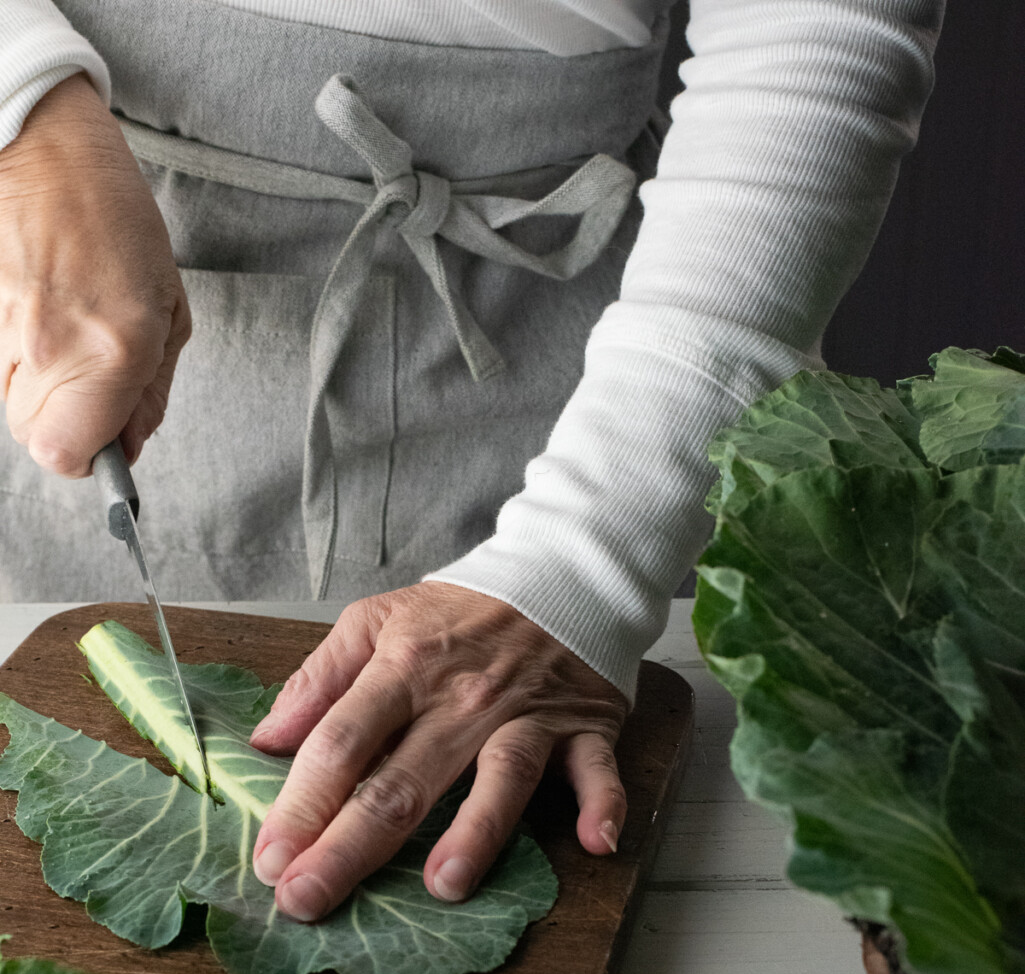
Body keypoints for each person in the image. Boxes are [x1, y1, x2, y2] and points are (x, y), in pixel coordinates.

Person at [0, 0, 943, 923]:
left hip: (583, 389)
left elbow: (816, 31)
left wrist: (583, 564)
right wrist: (28, 132)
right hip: (76, 261)